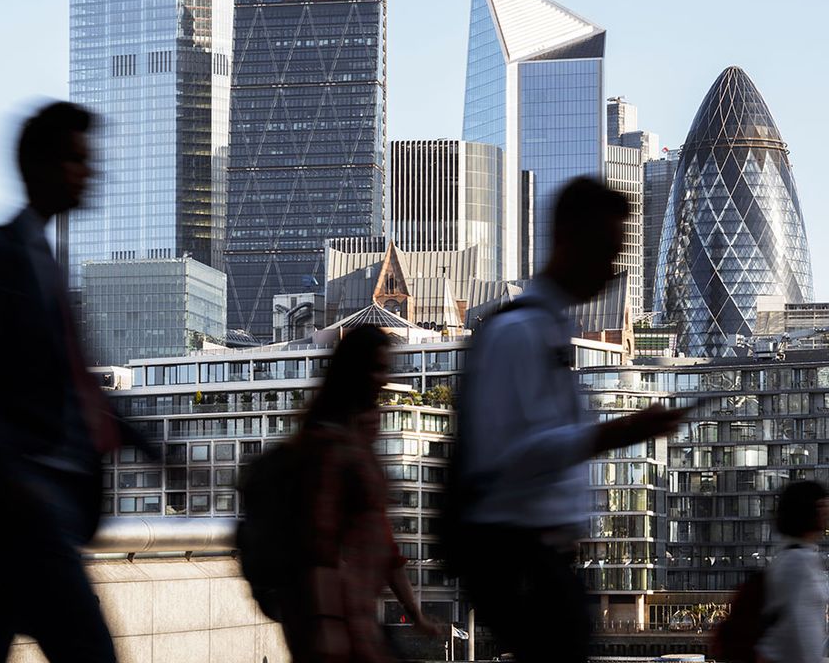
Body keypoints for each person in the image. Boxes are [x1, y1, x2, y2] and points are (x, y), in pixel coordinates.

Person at [453, 176, 688, 663]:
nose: (611, 269)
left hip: (545, 560)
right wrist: (621, 432)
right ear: (566, 240)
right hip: (516, 560)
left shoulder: (555, 331)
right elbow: (507, 456)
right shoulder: (517, 334)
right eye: (605, 250)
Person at [0, 101, 130, 662]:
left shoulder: (44, 259)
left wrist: (159, 451)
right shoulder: (1, 256)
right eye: (75, 159)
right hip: (27, 511)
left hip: (27, 510)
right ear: (39, 166)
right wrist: (15, 476)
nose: (89, 171)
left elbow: (80, 389)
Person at [279, 325, 442, 663]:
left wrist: (418, 617)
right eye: (377, 368)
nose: (383, 379)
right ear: (354, 372)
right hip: (338, 622)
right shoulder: (330, 447)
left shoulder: (352, 447)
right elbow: (318, 547)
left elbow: (385, 549)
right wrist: (328, 627)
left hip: (353, 618)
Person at [755, 479, 829, 663]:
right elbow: (801, 635)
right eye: (822, 505)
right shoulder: (797, 562)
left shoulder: (798, 556)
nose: (827, 511)